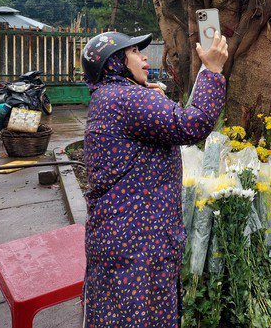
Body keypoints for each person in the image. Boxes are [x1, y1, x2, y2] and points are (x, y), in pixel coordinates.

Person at [81, 31, 228, 328]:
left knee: (125, 313)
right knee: (136, 317)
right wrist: (211, 71)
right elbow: (192, 124)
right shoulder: (127, 98)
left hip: (128, 234)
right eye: (134, 51)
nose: (144, 57)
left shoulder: (111, 96)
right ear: (114, 64)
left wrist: (148, 97)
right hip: (136, 240)